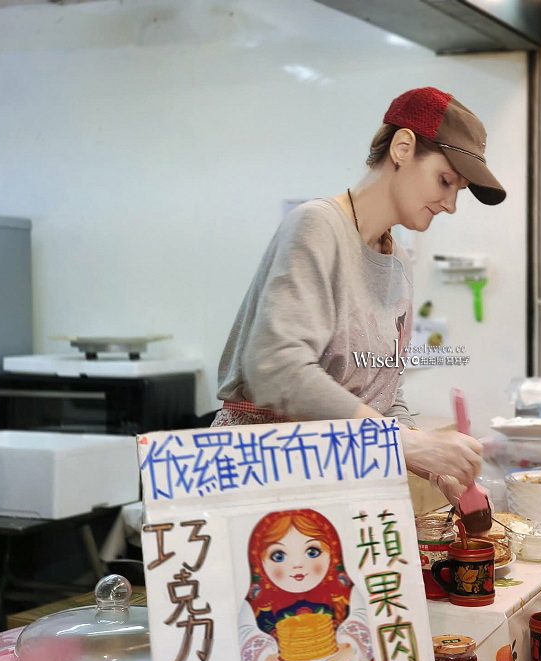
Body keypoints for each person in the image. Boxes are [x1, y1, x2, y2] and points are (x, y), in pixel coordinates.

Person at [213, 86, 506, 507]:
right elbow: (277, 368)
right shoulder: (317, 225)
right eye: (445, 181)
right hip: (260, 478)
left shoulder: (399, 262)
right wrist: (401, 443)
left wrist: (429, 458)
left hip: (338, 483)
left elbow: (384, 393)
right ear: (403, 148)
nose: (451, 205)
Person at [238, 509, 374, 661]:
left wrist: (351, 646)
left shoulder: (344, 589)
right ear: (259, 560)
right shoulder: (255, 601)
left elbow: (362, 617)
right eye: (278, 555)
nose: (297, 564)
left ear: (333, 552)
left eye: (312, 552)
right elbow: (246, 632)